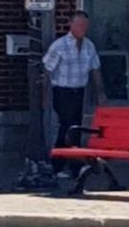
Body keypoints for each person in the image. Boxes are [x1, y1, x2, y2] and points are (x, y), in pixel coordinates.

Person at [43, 10, 105, 176]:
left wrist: (100, 92)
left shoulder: (89, 45)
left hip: (79, 92)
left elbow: (95, 69)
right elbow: (47, 71)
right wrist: (44, 96)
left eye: (84, 24)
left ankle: (71, 165)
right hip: (62, 92)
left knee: (74, 127)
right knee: (68, 125)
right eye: (78, 24)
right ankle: (61, 165)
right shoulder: (59, 46)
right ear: (70, 25)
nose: (82, 27)